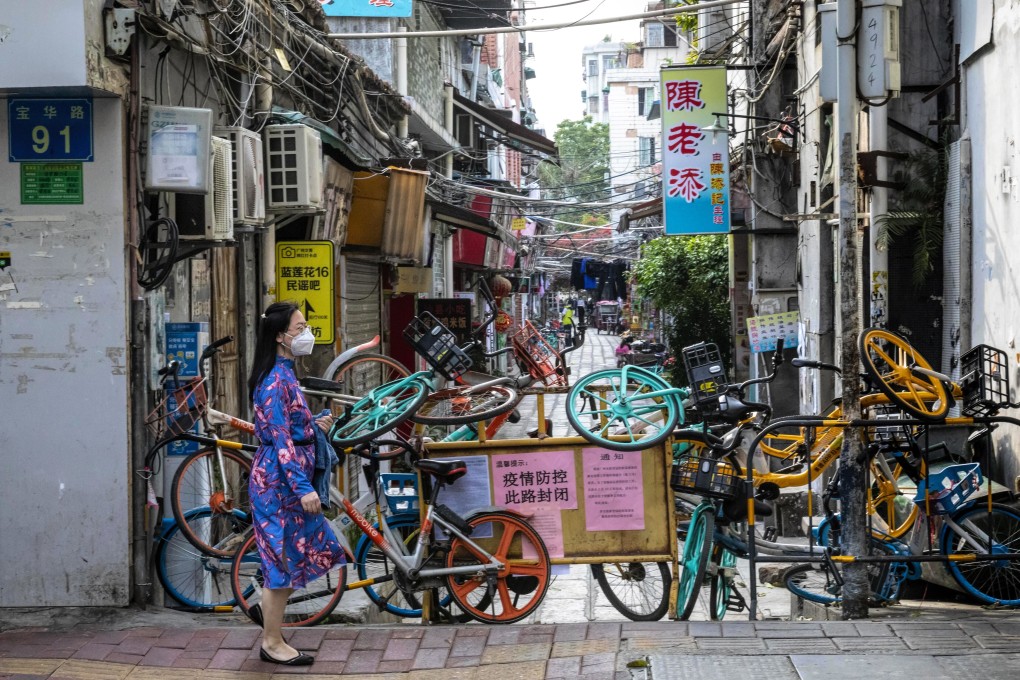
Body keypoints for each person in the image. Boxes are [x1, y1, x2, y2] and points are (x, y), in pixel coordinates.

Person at [245, 301, 344, 666]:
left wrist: (313, 424)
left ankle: (271, 627)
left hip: (287, 479)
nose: (306, 334)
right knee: (281, 563)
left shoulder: (286, 374)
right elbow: (281, 440)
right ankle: (271, 642)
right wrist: (304, 489)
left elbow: (290, 427)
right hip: (279, 484)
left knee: (291, 557)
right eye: (299, 327)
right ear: (280, 336)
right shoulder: (273, 380)